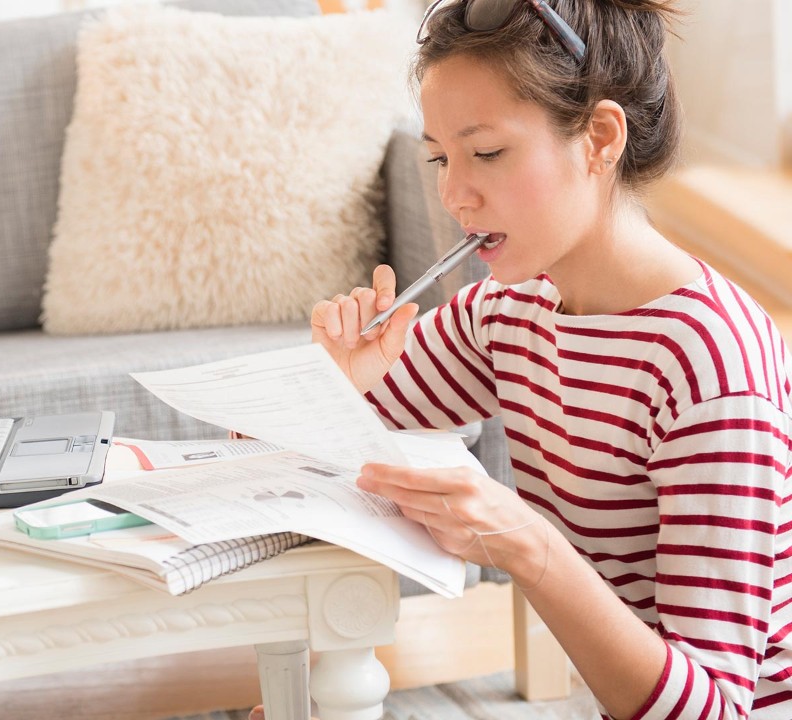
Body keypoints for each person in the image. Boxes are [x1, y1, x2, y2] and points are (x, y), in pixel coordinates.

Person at [251, 1, 792, 719]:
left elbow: (720, 710)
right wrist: (343, 388)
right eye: (444, 156)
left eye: (489, 153)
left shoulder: (711, 371)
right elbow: (273, 458)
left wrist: (527, 547)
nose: (453, 194)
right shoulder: (511, 313)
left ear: (600, 138)